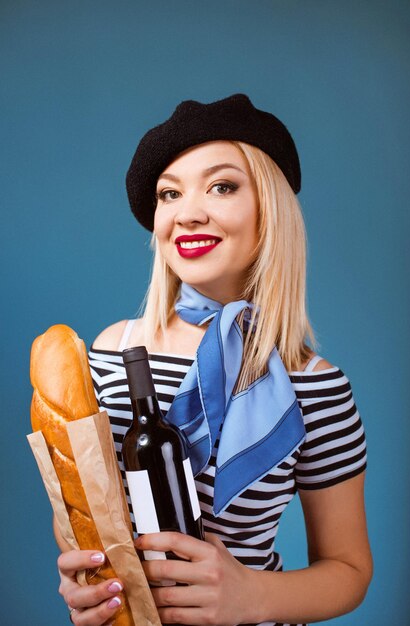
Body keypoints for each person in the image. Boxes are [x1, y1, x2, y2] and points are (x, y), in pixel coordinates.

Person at [55, 94, 373, 626]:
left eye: (221, 186)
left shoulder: (318, 387)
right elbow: (84, 518)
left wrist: (251, 596)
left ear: (268, 208)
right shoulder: (111, 353)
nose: (188, 212)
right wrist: (80, 579)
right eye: (169, 194)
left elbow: (348, 570)